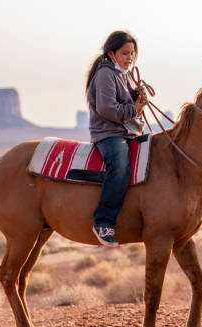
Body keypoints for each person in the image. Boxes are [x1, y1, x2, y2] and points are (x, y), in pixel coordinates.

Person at [85, 30, 147, 246]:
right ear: (111, 54)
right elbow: (107, 109)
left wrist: (137, 98)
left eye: (132, 54)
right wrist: (134, 108)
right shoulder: (105, 74)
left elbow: (128, 106)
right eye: (125, 53)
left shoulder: (123, 74)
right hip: (109, 134)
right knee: (119, 166)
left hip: (128, 131)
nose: (129, 58)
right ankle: (103, 221)